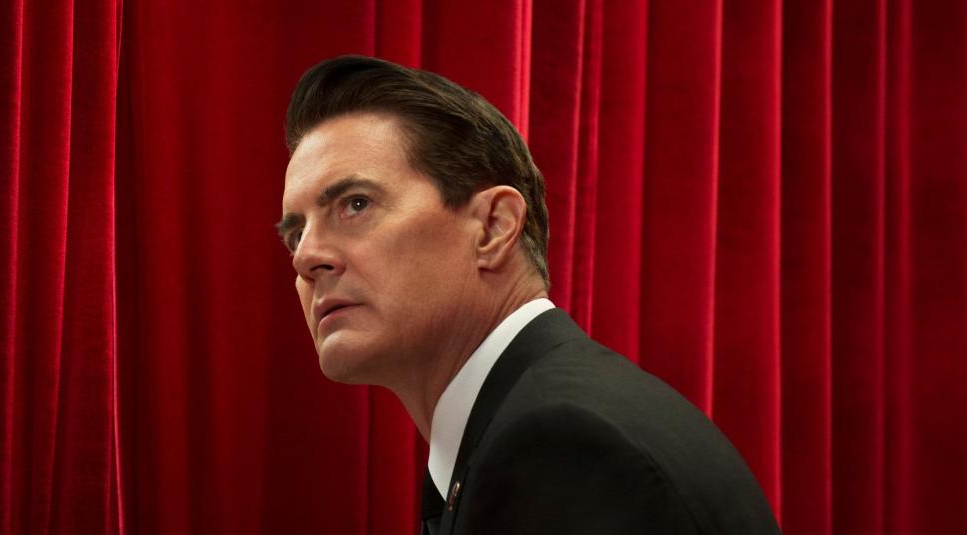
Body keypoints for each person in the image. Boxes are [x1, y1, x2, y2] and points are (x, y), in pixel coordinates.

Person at [277, 55, 780, 535]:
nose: (306, 258)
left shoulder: (563, 447)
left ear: (493, 228)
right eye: (296, 234)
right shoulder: (530, 424)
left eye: (355, 205)